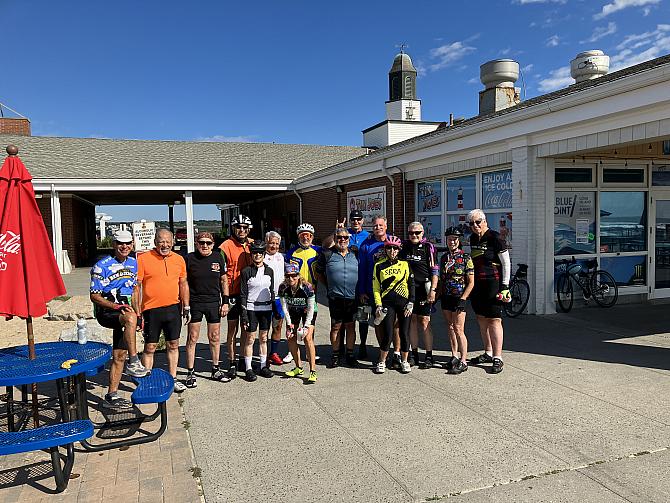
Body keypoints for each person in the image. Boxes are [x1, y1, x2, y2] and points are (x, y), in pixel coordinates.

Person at [90, 230, 149, 409]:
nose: (124, 247)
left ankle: (112, 395)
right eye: (120, 243)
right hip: (107, 311)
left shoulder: (133, 263)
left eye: (128, 243)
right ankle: (134, 361)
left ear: (132, 245)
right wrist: (116, 307)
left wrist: (140, 315)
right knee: (129, 318)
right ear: (114, 244)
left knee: (118, 354)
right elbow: (94, 296)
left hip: (126, 313)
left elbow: (135, 291)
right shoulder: (101, 265)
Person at [135, 229, 190, 392]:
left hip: (173, 308)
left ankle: (172, 378)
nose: (164, 245)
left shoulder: (179, 259)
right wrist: (138, 312)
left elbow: (183, 283)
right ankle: (147, 379)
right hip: (151, 310)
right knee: (150, 347)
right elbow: (137, 287)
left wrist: (186, 306)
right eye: (161, 241)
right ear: (155, 242)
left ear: (173, 242)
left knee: (173, 344)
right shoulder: (143, 259)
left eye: (167, 241)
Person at [184, 231, 230, 388]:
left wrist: (225, 302)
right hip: (195, 303)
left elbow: (224, 280)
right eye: (201, 242)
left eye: (208, 243)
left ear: (213, 244)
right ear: (197, 243)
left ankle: (215, 369)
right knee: (192, 337)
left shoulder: (218, 257)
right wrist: (185, 305)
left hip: (213, 303)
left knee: (215, 337)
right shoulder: (189, 258)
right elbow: (183, 283)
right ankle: (190, 372)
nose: (204, 245)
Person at [467, 209, 511, 374]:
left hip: (493, 284)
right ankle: (488, 352)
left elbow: (506, 263)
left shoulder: (496, 237)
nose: (475, 226)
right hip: (477, 285)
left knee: (494, 320)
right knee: (481, 318)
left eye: (478, 222)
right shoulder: (472, 238)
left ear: (485, 221)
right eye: (471, 223)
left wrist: (505, 286)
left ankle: (498, 357)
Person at [359, 215, 400, 366]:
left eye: (380, 225)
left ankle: (396, 353)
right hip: (373, 290)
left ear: (386, 226)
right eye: (375, 226)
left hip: (393, 291)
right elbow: (362, 269)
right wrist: (362, 290)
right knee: (378, 322)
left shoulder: (393, 242)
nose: (378, 228)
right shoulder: (366, 245)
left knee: (395, 322)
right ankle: (383, 351)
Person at [372, 236, 414, 374]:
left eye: (395, 248)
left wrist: (411, 302)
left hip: (404, 303)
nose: (392, 250)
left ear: (399, 249)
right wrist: (378, 305)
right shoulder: (379, 265)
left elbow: (411, 284)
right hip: (387, 303)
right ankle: (382, 361)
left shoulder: (405, 264)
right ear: (385, 249)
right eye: (389, 247)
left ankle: (405, 361)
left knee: (404, 333)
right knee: (388, 334)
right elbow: (376, 288)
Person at [219, 214, 253, 379]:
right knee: (232, 330)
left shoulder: (252, 244)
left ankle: (243, 359)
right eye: (239, 227)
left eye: (245, 228)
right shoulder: (225, 246)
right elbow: (222, 275)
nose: (242, 230)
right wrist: (224, 299)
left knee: (246, 329)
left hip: (249, 294)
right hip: (232, 293)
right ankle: (231, 362)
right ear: (233, 228)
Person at [319, 227, 359, 368]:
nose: (342, 240)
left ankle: (350, 354)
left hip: (352, 297)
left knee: (350, 326)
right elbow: (319, 273)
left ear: (349, 239)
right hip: (335, 297)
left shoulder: (355, 252)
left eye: (345, 237)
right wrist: (329, 286)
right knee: (335, 326)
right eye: (339, 237)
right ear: (335, 239)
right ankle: (335, 354)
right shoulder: (327, 254)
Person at [400, 222, 439, 368]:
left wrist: (433, 290)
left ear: (422, 233)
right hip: (408, 289)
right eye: (411, 233)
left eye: (417, 233)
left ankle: (429, 355)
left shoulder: (428, 247)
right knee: (412, 321)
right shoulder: (404, 246)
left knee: (424, 321)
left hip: (424, 288)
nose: (414, 235)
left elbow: (435, 270)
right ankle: (414, 354)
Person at [284, 222, 322, 364]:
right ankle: (291, 351)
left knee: (310, 322)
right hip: (294, 293)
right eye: (303, 235)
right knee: (293, 323)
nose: (306, 238)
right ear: (298, 237)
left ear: (312, 237)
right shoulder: (291, 252)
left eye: (308, 236)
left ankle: (309, 350)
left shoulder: (318, 251)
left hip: (312, 293)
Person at [439, 227, 475, 374]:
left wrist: (464, 298)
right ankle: (454, 355)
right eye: (449, 239)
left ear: (459, 241)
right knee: (450, 327)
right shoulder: (444, 258)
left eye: (454, 239)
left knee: (459, 329)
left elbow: (471, 282)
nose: (452, 241)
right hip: (446, 297)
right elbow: (441, 279)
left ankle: (463, 360)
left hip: (460, 297)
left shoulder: (466, 258)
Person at [239, 241, 275, 382]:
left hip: (266, 309)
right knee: (250, 339)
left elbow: (271, 291)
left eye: (260, 253)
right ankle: (248, 368)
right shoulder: (246, 271)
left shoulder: (269, 271)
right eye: (255, 253)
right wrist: (244, 315)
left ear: (264, 254)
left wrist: (275, 309)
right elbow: (243, 294)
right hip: (252, 308)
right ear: (252, 255)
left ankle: (263, 366)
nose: (258, 255)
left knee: (264, 338)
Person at [280, 263, 318, 383]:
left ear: (298, 275)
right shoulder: (282, 287)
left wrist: (306, 326)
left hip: (308, 311)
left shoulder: (307, 287)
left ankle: (313, 371)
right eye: (288, 276)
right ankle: (298, 367)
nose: (291, 279)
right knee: (290, 337)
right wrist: (289, 324)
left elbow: (311, 308)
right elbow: (284, 307)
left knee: (307, 338)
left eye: (294, 275)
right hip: (293, 311)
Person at [263, 231, 286, 366]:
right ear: (266, 242)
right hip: (264, 298)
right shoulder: (261, 257)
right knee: (264, 329)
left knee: (277, 327)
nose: (274, 246)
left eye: (277, 243)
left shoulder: (281, 257)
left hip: (279, 298)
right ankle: (264, 355)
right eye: (272, 243)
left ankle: (274, 353)